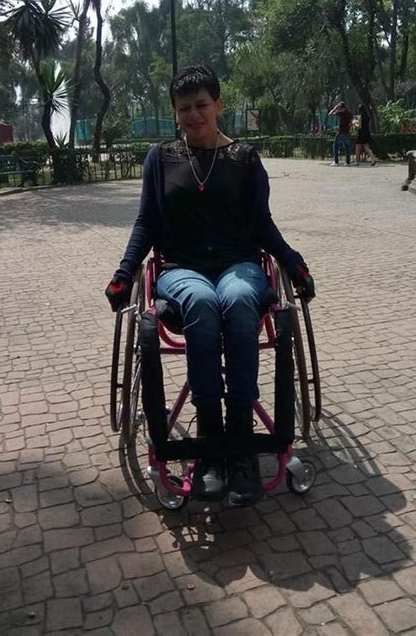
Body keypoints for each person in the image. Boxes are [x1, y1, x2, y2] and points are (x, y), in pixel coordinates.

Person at [105, 66, 314, 508]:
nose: (194, 115)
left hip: (240, 264)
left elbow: (262, 225)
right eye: (184, 108)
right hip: (181, 269)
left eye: (202, 105)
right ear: (175, 112)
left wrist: (292, 263)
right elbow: (147, 222)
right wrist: (125, 272)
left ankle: (238, 440)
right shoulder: (160, 158)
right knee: (202, 300)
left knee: (237, 299)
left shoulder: (245, 160)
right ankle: (209, 438)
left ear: (219, 104)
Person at [329, 101, 353, 166]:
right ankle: (348, 162)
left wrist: (334, 108)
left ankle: (336, 162)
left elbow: (330, 114)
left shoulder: (341, 112)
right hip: (347, 131)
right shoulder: (348, 113)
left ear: (340, 107)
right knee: (347, 147)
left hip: (341, 131)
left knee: (336, 146)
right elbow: (351, 122)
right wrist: (349, 128)